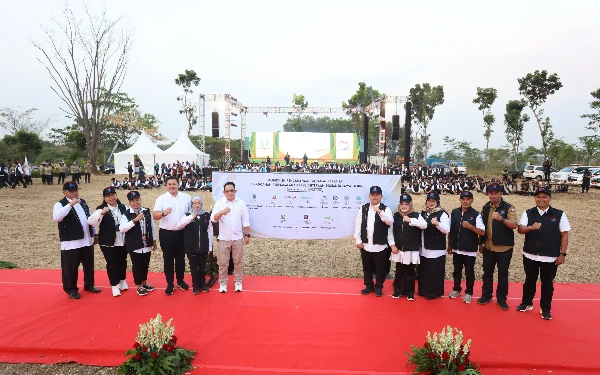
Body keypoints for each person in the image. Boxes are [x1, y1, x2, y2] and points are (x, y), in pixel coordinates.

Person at [516, 187, 570, 320]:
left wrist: (562, 254)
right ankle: (527, 303)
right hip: (530, 254)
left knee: (547, 283)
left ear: (550, 199)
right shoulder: (528, 212)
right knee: (529, 281)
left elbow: (564, 234)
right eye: (538, 197)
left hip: (550, 256)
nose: (541, 199)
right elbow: (520, 229)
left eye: (544, 197)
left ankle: (545, 309)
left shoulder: (559, 214)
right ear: (535, 198)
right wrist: (530, 227)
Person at [52, 181, 100, 299]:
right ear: (65, 192)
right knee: (70, 267)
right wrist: (70, 205)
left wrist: (94, 233)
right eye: (71, 191)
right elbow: (57, 217)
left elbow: (90, 218)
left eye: (76, 190)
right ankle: (71, 289)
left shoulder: (83, 202)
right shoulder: (60, 204)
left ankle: (89, 284)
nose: (75, 193)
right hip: (70, 242)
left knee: (89, 265)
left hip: (86, 240)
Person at [477, 183, 518, 310]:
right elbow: (481, 227)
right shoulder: (485, 207)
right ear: (488, 194)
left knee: (502, 275)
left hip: (503, 248)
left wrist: (502, 219)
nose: (493, 195)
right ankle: (486, 294)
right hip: (488, 246)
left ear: (501, 193)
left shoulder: (508, 208)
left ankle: (501, 299)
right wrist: (481, 243)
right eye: (491, 193)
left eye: (496, 193)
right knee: (487, 273)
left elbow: (514, 225)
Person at [152, 176, 192, 295]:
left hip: (182, 233)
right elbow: (155, 215)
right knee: (168, 259)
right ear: (166, 186)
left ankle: (180, 280)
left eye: (174, 184)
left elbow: (191, 213)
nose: (171, 186)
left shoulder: (186, 198)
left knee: (180, 259)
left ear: (178, 184)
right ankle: (170, 283)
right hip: (166, 234)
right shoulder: (161, 199)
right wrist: (164, 213)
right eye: (169, 184)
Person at [87, 186, 129, 297]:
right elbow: (91, 222)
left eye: (113, 195)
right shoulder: (101, 209)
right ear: (104, 198)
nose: (111, 197)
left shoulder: (123, 207)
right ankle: (114, 285)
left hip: (123, 240)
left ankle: (122, 280)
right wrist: (101, 214)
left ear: (116, 195)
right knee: (112, 263)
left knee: (122, 261)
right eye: (108, 196)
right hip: (108, 242)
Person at [353, 186, 393, 297]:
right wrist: (358, 240)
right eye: (373, 195)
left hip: (380, 245)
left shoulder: (386, 209)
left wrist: (379, 212)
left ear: (381, 196)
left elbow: (389, 222)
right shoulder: (363, 208)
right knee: (367, 267)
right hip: (366, 245)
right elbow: (358, 225)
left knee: (380, 269)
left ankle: (379, 287)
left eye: (377, 195)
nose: (375, 197)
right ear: (370, 196)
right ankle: (369, 286)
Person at [211, 181, 251, 293]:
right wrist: (222, 212)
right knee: (223, 262)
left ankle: (238, 282)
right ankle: (223, 283)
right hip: (224, 238)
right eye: (227, 191)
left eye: (231, 190)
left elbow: (246, 220)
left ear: (235, 191)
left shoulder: (241, 203)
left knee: (238, 261)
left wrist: (247, 235)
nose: (230, 193)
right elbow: (213, 219)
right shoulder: (219, 203)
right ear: (224, 192)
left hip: (238, 238)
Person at [447, 191, 486, 303]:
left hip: (469, 249)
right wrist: (449, 245)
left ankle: (469, 292)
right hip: (456, 248)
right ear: (460, 200)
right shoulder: (454, 212)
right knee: (456, 270)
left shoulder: (476, 214)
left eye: (468, 199)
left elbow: (482, 232)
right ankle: (456, 289)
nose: (465, 201)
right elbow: (450, 231)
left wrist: (470, 226)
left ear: (472, 200)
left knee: (469, 272)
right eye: (463, 199)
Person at [389, 193, 426, 301]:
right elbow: (390, 231)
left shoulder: (416, 215)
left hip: (411, 249)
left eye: (406, 204)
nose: (404, 206)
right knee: (399, 271)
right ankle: (398, 291)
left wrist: (411, 221)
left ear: (410, 205)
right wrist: (392, 245)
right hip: (398, 249)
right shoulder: (395, 216)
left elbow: (424, 225)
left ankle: (410, 293)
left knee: (410, 272)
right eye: (402, 204)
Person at [120, 191, 157, 296]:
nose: (136, 202)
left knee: (145, 264)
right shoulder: (127, 213)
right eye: (133, 201)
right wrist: (134, 220)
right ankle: (138, 285)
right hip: (134, 244)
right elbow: (122, 228)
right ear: (129, 202)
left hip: (146, 243)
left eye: (138, 200)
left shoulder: (146, 211)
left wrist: (154, 240)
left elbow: (152, 227)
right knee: (137, 265)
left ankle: (144, 282)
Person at [177, 195, 213, 294]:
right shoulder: (187, 215)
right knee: (193, 268)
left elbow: (210, 231)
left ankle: (203, 284)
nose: (197, 205)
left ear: (201, 204)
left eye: (198, 203)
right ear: (192, 204)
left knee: (202, 267)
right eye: (194, 203)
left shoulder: (206, 215)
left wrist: (209, 246)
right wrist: (190, 217)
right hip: (191, 246)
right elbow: (179, 225)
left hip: (203, 246)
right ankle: (195, 286)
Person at [419, 191, 450, 300]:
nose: (431, 203)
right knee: (424, 270)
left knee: (434, 271)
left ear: (437, 202)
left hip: (436, 249)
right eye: (429, 201)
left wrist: (437, 224)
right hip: (423, 246)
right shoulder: (422, 212)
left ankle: (433, 292)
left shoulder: (442, 213)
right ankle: (423, 290)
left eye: (433, 201)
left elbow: (446, 230)